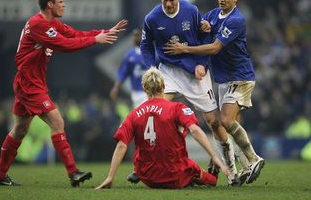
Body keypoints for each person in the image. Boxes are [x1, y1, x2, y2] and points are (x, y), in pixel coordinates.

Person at [0, 0, 127, 187]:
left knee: (19, 129)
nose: (64, 5)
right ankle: (73, 172)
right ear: (50, 5)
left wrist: (104, 32)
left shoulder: (51, 23)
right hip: (30, 84)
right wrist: (94, 40)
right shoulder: (37, 24)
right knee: (57, 122)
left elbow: (74, 34)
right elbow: (64, 45)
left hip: (30, 82)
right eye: (60, 1)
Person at [138, 0, 241, 185]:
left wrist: (202, 63)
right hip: (168, 71)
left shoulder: (192, 11)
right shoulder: (151, 18)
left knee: (214, 121)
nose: (168, 4)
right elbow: (146, 45)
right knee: (154, 114)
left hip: (195, 70)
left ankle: (232, 170)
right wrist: (151, 67)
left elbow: (205, 37)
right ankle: (148, 163)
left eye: (172, 0)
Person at [164, 0, 265, 184]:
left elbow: (215, 48)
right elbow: (200, 29)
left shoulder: (236, 20)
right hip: (223, 80)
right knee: (225, 123)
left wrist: (184, 50)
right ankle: (237, 172)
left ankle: (254, 159)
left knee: (226, 121)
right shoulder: (212, 14)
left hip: (241, 77)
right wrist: (202, 26)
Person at [95, 67, 228, 189]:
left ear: (145, 89)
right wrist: (214, 156)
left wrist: (110, 177)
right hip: (175, 174)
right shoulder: (177, 108)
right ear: (164, 86)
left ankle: (187, 177)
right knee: (206, 178)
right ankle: (207, 174)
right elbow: (194, 130)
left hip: (148, 177)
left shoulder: (134, 114)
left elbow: (121, 145)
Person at [110, 29, 147, 108]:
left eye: (137, 35)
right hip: (136, 92)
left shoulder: (151, 52)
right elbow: (122, 73)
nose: (134, 38)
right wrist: (115, 88)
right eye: (134, 36)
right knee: (140, 117)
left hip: (150, 92)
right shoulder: (129, 55)